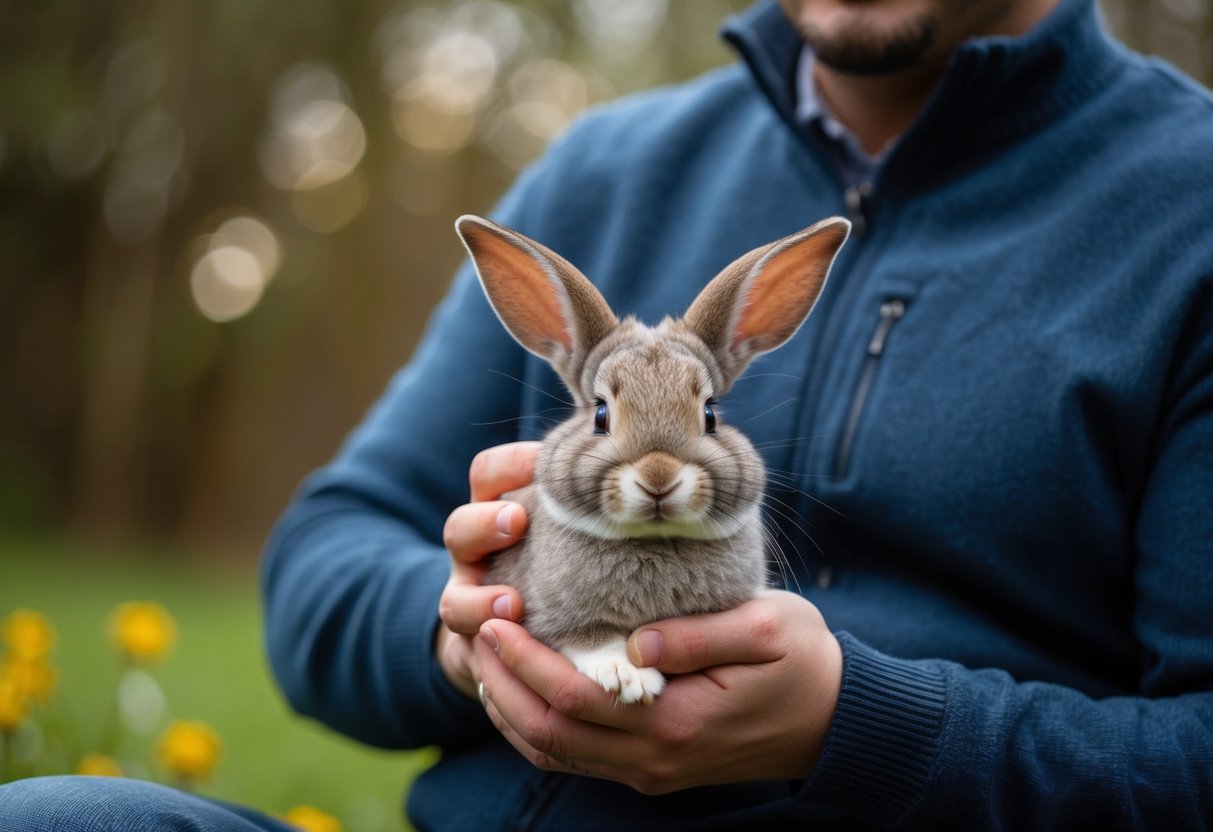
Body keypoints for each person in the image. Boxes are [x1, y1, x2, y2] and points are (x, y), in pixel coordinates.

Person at [2, 0, 1211, 828]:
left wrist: (862, 726)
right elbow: (327, 552)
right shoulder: (608, 168)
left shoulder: (1183, 208)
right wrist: (470, 632)